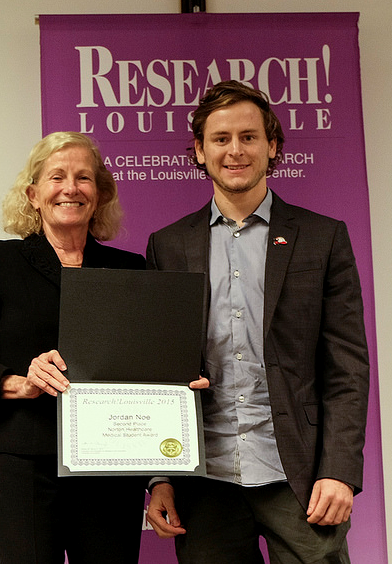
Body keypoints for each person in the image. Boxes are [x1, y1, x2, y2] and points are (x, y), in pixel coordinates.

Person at [145, 81, 369, 563]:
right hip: (205, 479)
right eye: (220, 139)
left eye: (248, 137)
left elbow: (347, 367)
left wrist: (340, 470)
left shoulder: (323, 237)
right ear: (200, 151)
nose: (235, 150)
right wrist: (160, 477)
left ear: (272, 146)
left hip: (302, 476)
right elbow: (158, 369)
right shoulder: (167, 245)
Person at [0, 131, 147, 564]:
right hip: (23, 465)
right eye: (57, 177)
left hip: (111, 465)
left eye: (83, 178)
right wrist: (21, 383)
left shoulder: (131, 270)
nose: (70, 188)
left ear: (100, 194)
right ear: (33, 195)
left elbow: (146, 370)